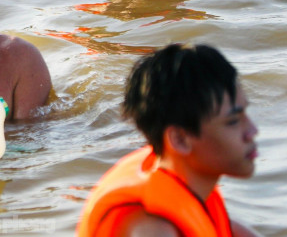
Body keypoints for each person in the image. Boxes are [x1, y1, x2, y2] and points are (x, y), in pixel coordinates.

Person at [77, 44, 261, 236]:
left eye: (245, 113)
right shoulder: (152, 228)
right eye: (233, 121)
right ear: (180, 140)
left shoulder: (192, 188)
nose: (252, 131)